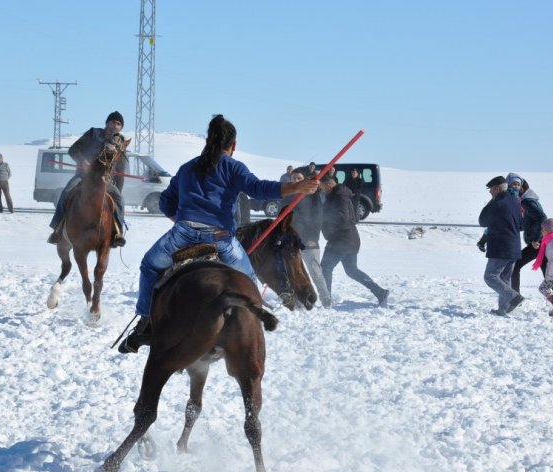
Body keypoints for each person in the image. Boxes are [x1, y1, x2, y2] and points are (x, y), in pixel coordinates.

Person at [119, 114, 319, 353]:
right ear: (233, 145)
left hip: (182, 235)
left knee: (149, 266)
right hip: (221, 240)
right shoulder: (233, 167)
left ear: (208, 140)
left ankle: (144, 321)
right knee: (249, 279)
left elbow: (165, 202)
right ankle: (249, 327)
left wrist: (182, 221)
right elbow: (259, 189)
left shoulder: (186, 168)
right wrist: (297, 187)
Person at [48, 111, 128, 247]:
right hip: (83, 177)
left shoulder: (120, 142)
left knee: (120, 200)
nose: (115, 125)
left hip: (104, 180)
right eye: (113, 122)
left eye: (119, 124)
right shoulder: (93, 134)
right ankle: (57, 229)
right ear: (107, 123)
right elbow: (72, 150)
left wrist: (118, 191)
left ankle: (117, 234)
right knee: (67, 192)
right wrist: (83, 161)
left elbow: (120, 169)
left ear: (121, 128)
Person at [318, 173, 389, 307]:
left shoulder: (339, 197)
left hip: (341, 240)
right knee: (351, 270)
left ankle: (326, 301)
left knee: (325, 268)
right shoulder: (338, 195)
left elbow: (342, 217)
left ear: (328, 186)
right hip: (350, 239)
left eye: (322, 188)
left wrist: (323, 215)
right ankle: (380, 292)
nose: (321, 191)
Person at [478, 176, 523, 316]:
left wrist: (491, 201)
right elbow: (521, 225)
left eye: (490, 190)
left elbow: (482, 221)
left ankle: (514, 297)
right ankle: (502, 310)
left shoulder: (497, 203)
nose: (490, 193)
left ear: (496, 188)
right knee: (504, 278)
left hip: (500, 248)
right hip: (514, 246)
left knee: (490, 276)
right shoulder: (514, 201)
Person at [287, 169, 332, 307]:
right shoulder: (288, 195)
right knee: (293, 272)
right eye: (293, 178)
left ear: (304, 179)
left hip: (308, 239)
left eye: (299, 178)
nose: (296, 181)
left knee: (315, 271)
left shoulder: (312, 195)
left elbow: (318, 218)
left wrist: (313, 237)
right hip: (291, 239)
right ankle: (298, 301)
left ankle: (326, 301)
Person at [507, 173, 548, 293]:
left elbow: (542, 218)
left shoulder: (526, 202)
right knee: (548, 276)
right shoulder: (526, 201)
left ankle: (515, 297)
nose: (514, 188)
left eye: (517, 185)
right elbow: (529, 222)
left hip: (537, 243)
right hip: (540, 242)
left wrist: (536, 238)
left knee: (515, 266)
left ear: (522, 188)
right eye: (512, 185)